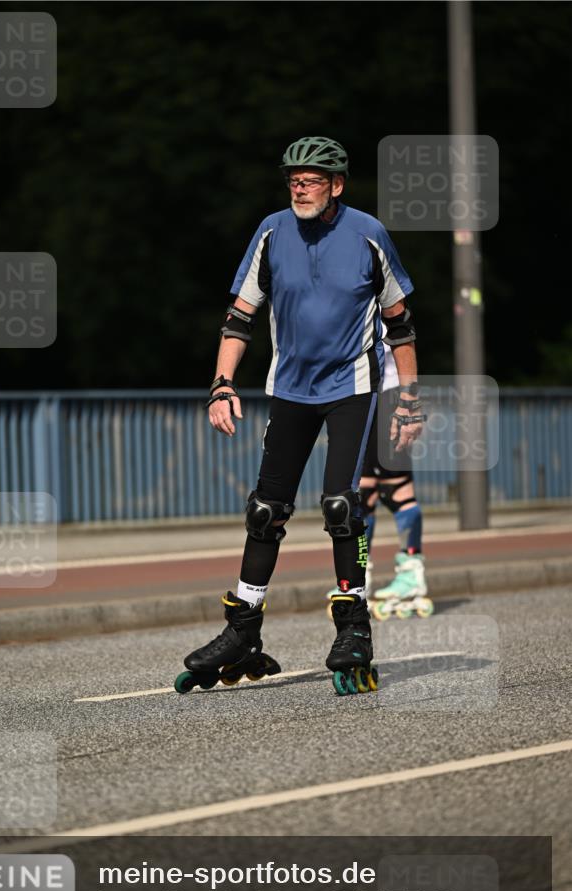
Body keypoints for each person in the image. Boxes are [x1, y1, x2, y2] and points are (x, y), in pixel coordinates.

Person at [174, 136, 425, 697]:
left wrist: (408, 401)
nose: (299, 188)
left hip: (352, 387)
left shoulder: (368, 234)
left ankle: (353, 627)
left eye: (310, 180)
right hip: (290, 388)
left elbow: (401, 326)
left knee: (341, 504)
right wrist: (221, 385)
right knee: (265, 510)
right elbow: (239, 317)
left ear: (337, 185)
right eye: (293, 180)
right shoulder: (271, 232)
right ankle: (242, 628)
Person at [353, 340, 434, 620]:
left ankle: (412, 574)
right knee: (363, 494)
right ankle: (358, 574)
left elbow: (403, 341)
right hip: (362, 398)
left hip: (390, 397)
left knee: (398, 491)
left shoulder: (386, 308)